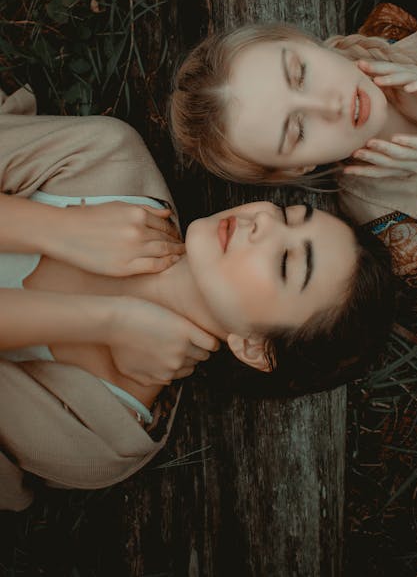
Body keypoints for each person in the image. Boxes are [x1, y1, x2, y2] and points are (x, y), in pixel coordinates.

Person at [0, 86, 394, 511]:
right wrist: (58, 229)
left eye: (284, 263)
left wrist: (106, 319)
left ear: (254, 346)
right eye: (287, 215)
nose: (261, 219)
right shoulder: (107, 159)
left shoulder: (99, 439)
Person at [169, 22, 417, 306]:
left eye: (301, 74)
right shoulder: (414, 243)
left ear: (300, 40)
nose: (330, 104)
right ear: (298, 168)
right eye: (298, 130)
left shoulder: (401, 28)